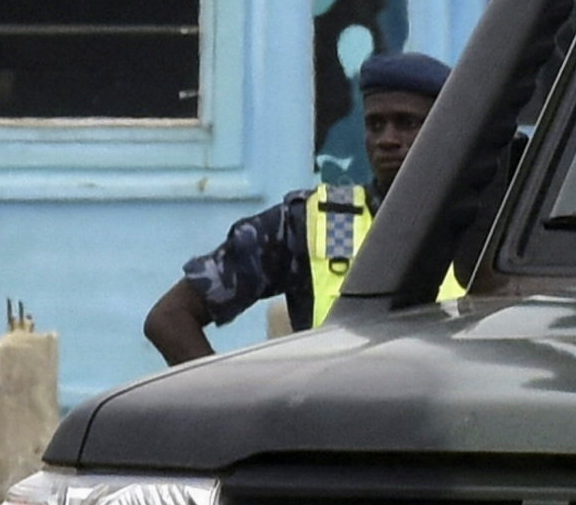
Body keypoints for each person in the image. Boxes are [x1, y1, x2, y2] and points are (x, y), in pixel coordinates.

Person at [146, 47, 455, 362]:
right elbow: (169, 319)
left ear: (446, 130)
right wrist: (226, 404)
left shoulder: (486, 224)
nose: (386, 139)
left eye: (406, 123)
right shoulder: (323, 224)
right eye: (375, 125)